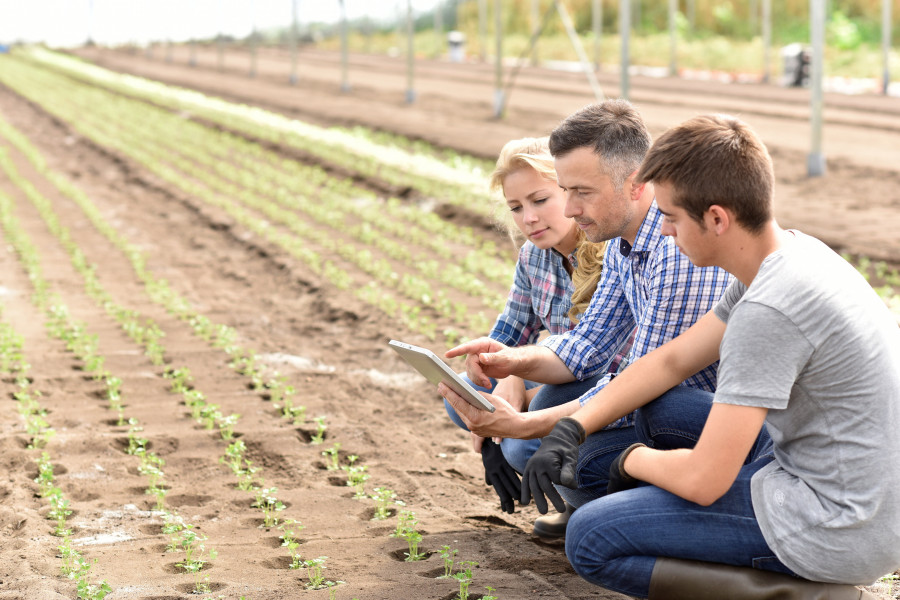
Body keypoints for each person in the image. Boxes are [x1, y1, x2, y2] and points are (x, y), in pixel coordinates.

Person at [521, 114, 900, 599]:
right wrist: (573, 427)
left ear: (717, 218)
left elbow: (703, 481)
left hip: (840, 523)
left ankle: (812, 595)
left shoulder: (769, 309)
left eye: (672, 218)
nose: (663, 233)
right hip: (855, 486)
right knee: (661, 406)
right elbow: (671, 361)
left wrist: (631, 462)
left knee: (592, 537)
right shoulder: (788, 257)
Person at [441, 99, 736, 539]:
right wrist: (511, 364)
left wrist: (533, 426)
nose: (571, 208)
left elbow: (643, 382)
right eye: (566, 190)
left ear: (634, 183)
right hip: (653, 402)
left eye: (579, 192)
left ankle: (669, 521)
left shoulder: (675, 247)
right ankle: (617, 508)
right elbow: (588, 345)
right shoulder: (621, 242)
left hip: (703, 415)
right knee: (529, 426)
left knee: (566, 452)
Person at [441, 136, 616, 515]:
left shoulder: (610, 253)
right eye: (516, 207)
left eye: (540, 200)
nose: (528, 218)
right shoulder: (533, 257)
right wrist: (507, 378)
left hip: (608, 385)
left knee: (519, 441)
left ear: (569, 193)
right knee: (462, 394)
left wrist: (515, 411)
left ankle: (586, 508)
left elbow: (608, 361)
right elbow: (507, 334)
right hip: (560, 370)